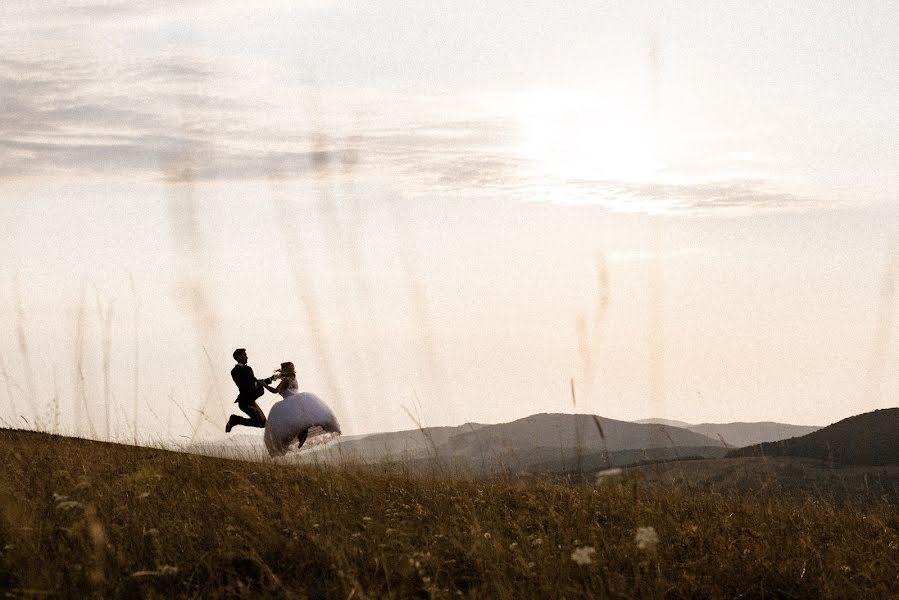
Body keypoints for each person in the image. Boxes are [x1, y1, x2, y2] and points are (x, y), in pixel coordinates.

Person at [262, 361, 341, 457]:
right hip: (299, 401)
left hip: (289, 404)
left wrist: (264, 384)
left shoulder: (285, 380)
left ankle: (297, 436)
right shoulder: (294, 379)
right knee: (302, 421)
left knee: (289, 425)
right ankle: (303, 432)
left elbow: (275, 391)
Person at [225, 348, 274, 432]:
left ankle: (235, 419)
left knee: (263, 423)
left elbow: (255, 382)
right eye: (244, 355)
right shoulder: (235, 371)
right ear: (238, 357)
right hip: (245, 402)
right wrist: (264, 382)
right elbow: (248, 385)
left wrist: (270, 379)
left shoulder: (248, 369)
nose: (247, 357)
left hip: (251, 401)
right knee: (261, 423)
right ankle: (235, 419)